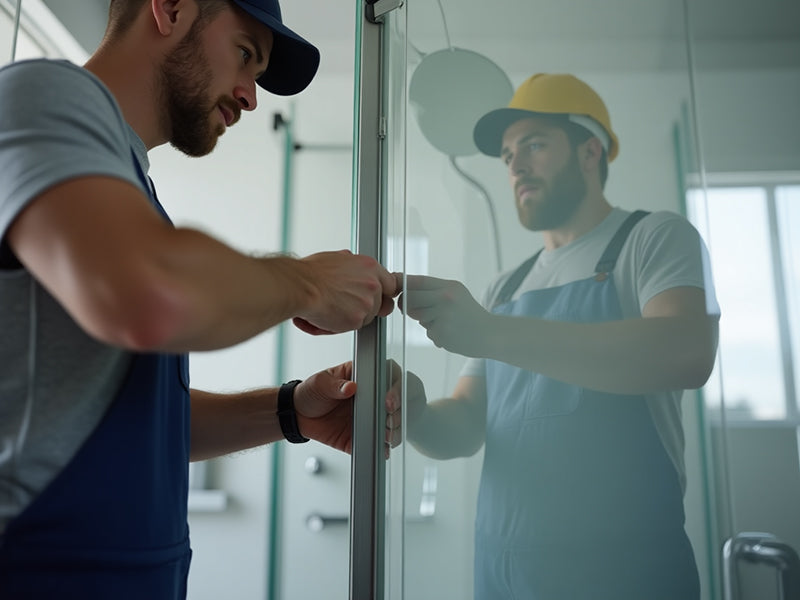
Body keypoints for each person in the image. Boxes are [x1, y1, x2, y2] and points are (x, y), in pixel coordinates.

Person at [0, 1, 399, 598]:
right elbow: (149, 297)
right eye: (245, 54)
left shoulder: (129, 186)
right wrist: (309, 282)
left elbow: (141, 423)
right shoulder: (44, 94)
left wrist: (292, 409)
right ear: (171, 8)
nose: (251, 95)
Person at [392, 73, 720, 599]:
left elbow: (684, 351)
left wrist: (492, 332)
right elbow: (467, 427)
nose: (515, 165)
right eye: (506, 155)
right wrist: (415, 414)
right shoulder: (506, 286)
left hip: (626, 576)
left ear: (590, 151)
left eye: (535, 145)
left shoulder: (653, 238)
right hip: (503, 577)